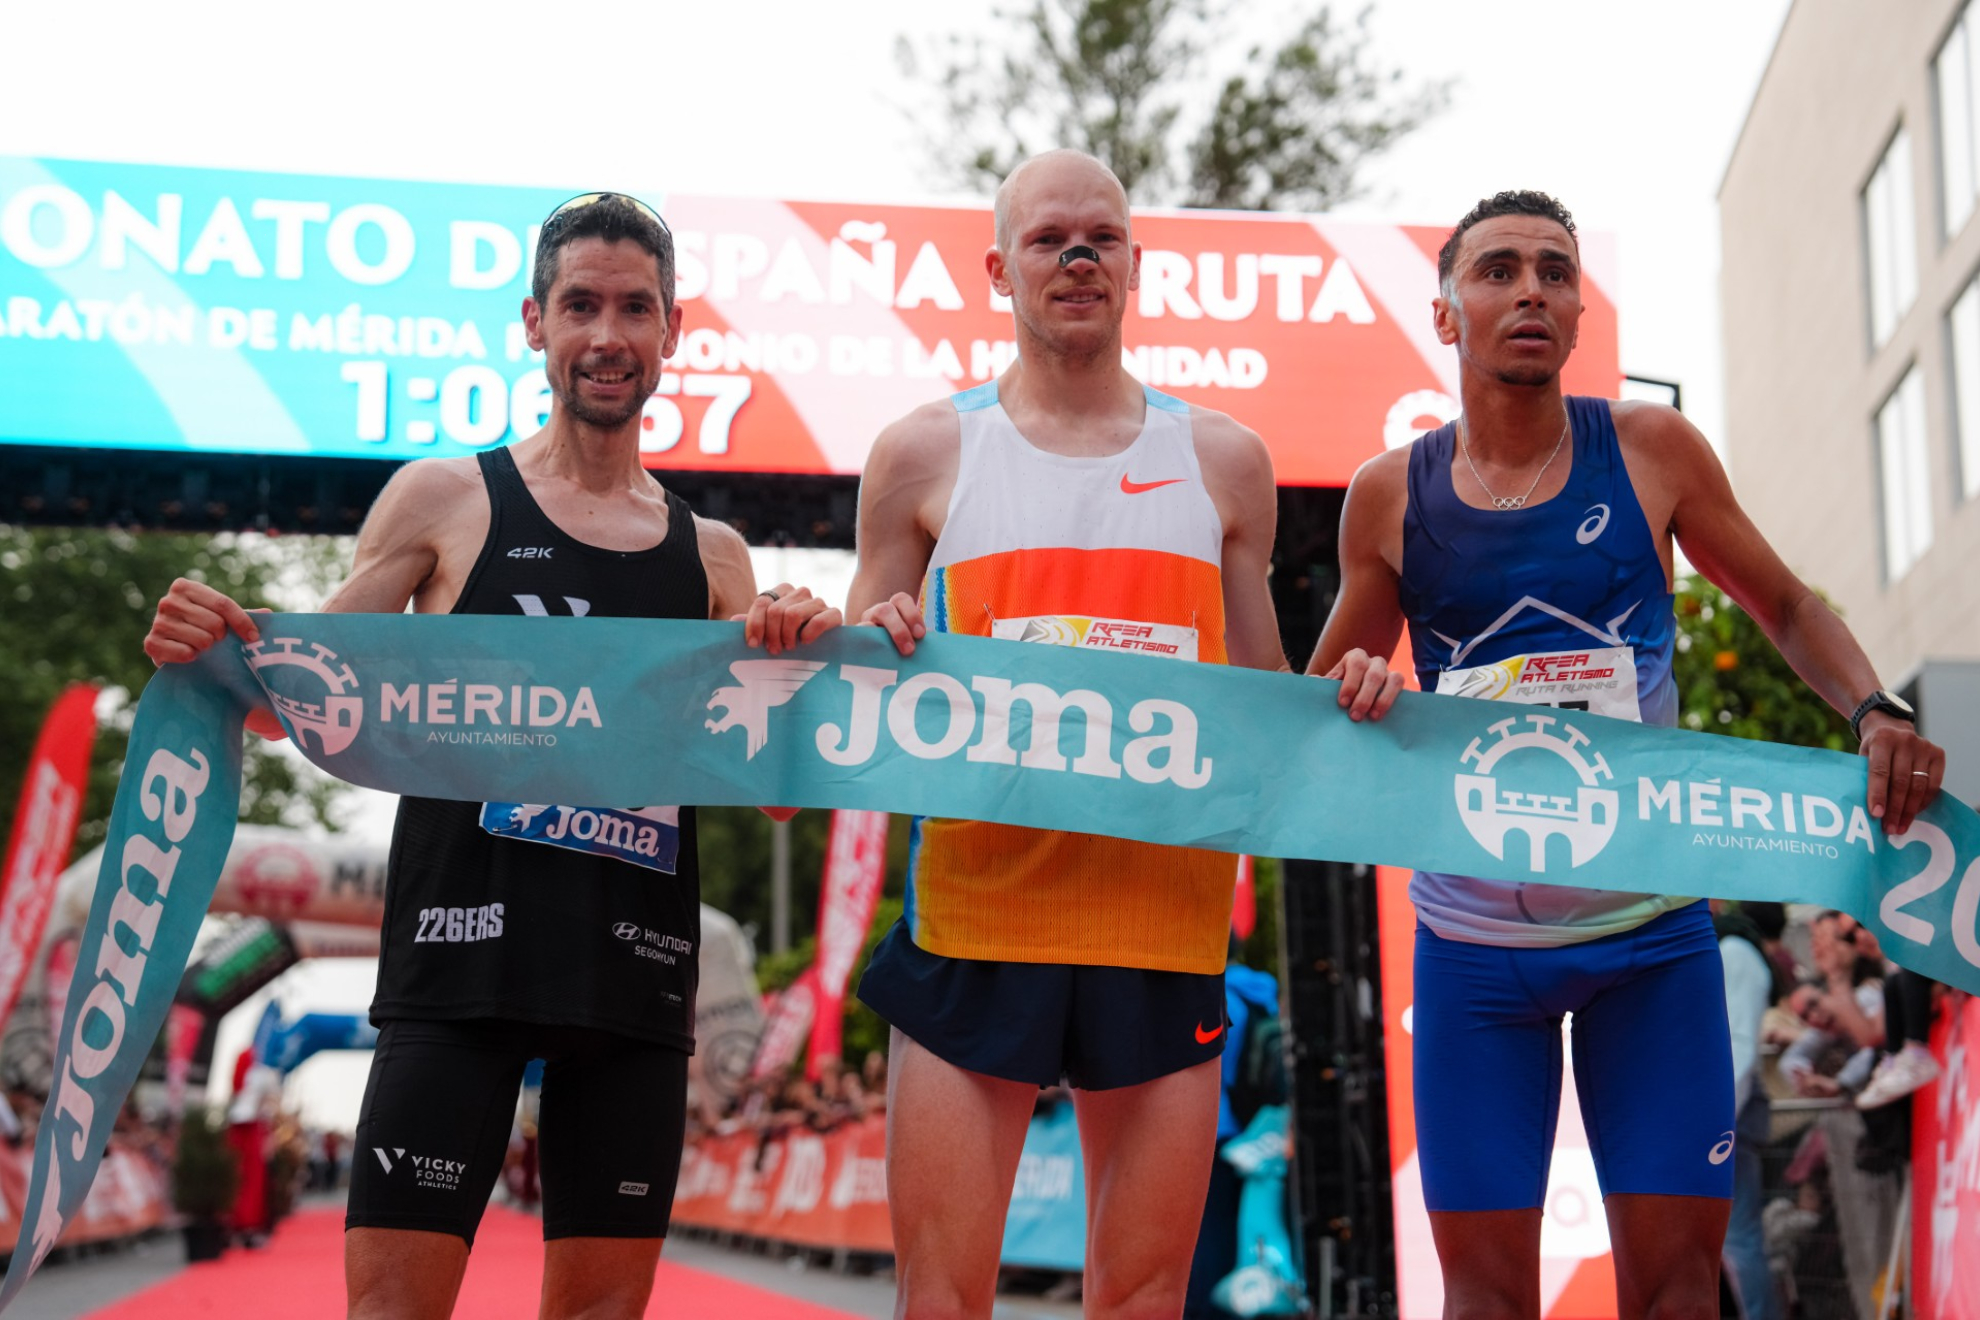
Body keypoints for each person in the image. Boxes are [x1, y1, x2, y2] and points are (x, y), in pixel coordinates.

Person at [143, 192, 841, 1320]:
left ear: (672, 334)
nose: (607, 334)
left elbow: (770, 801)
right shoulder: (447, 498)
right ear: (534, 322)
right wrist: (211, 648)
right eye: (581, 305)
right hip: (458, 973)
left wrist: (795, 662)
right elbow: (301, 702)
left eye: (634, 308)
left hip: (636, 979)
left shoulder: (713, 557)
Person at [1307, 189, 1946, 1320]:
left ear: (1578, 309)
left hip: (1650, 938)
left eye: (1556, 271)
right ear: (1447, 313)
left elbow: (1788, 604)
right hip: (1473, 950)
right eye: (1498, 271)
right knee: (1488, 1301)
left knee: (1675, 1293)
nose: (1531, 292)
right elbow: (1319, 714)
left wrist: (1875, 709)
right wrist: (1361, 684)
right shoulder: (1387, 496)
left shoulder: (1648, 451)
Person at [847, 149, 1382, 1320]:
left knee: (1139, 1301)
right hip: (977, 915)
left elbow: (1264, 703)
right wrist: (853, 635)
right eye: (1049, 239)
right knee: (940, 1298)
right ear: (1001, 268)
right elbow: (852, 704)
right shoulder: (925, 453)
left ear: (1137, 263)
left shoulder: (1226, 462)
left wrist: (1348, 694)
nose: (1078, 255)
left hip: (1161, 923)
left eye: (1102, 236)